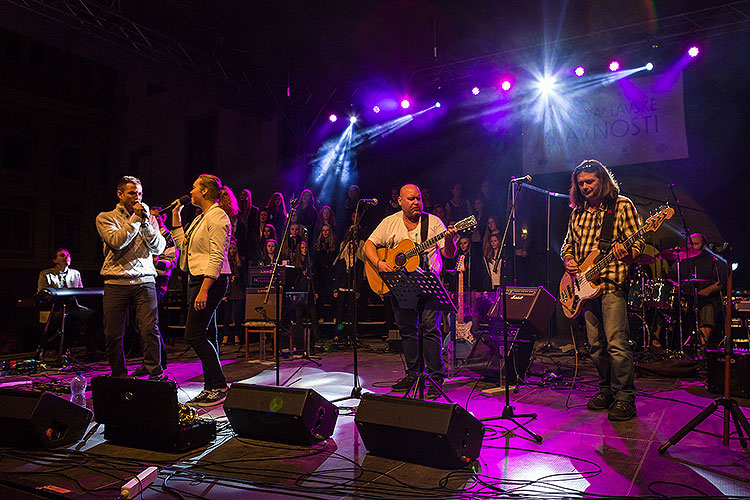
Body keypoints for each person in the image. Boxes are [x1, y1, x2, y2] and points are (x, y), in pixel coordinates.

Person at [560, 159, 643, 422]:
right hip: (584, 289)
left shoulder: (621, 205)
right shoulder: (578, 213)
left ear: (602, 181)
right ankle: (606, 390)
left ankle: (624, 397)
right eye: (580, 183)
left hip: (612, 285)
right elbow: (567, 246)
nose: (584, 187)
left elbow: (638, 241)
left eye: (589, 182)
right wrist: (569, 260)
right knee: (596, 346)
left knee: (617, 343)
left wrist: (627, 252)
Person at [364, 184, 458, 399]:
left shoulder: (433, 222)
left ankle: (435, 378)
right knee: (407, 330)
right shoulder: (390, 222)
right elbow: (368, 245)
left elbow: (448, 254)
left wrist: (450, 238)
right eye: (411, 199)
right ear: (400, 201)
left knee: (429, 329)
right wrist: (378, 262)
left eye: (418, 199)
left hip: (428, 282)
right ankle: (414, 374)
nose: (416, 202)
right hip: (400, 283)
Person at [96, 176, 166, 379]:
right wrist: (135, 220)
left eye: (140, 193)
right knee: (113, 334)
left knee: (149, 330)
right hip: (116, 282)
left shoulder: (148, 218)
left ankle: (155, 375)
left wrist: (146, 224)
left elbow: (159, 247)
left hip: (145, 281)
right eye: (132, 193)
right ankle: (119, 376)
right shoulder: (105, 217)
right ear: (120, 194)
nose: (138, 197)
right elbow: (116, 241)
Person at [172, 174, 233, 406]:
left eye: (195, 187)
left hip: (210, 281)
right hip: (198, 278)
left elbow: (218, 255)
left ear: (205, 191)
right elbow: (182, 247)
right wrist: (176, 217)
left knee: (194, 334)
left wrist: (204, 288)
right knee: (208, 334)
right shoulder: (202, 217)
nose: (191, 191)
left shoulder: (217, 217)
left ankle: (218, 384)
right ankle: (211, 387)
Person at [37, 248, 99, 361]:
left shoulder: (75, 273)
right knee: (65, 319)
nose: (66, 257)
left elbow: (80, 292)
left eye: (68, 255)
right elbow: (42, 293)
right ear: (55, 260)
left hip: (72, 306)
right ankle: (56, 350)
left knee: (92, 315)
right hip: (54, 308)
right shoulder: (46, 274)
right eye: (62, 255)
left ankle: (90, 351)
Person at [669, 233, 727, 349]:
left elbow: (723, 282)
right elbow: (670, 277)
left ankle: (702, 347)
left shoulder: (713, 260)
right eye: (690, 244)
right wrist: (675, 286)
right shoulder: (682, 260)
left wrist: (709, 289)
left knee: (708, 309)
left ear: (703, 246)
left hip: (706, 299)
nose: (691, 246)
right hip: (686, 298)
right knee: (663, 306)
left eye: (695, 244)